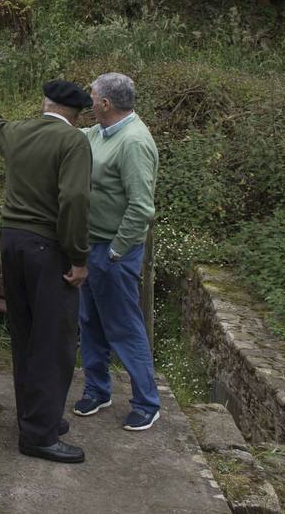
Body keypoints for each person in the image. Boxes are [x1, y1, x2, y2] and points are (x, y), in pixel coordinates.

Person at [0, 80, 93, 464]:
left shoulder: (18, 131)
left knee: (26, 334)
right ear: (77, 114)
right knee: (54, 341)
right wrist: (78, 257)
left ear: (45, 103)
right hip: (47, 249)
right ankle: (38, 436)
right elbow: (75, 199)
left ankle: (36, 418)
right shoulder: (73, 142)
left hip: (11, 244)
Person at [73, 72, 162, 431]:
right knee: (90, 322)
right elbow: (74, 135)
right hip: (92, 246)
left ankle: (147, 402)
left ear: (106, 104)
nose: (88, 101)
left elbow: (142, 207)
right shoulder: (101, 132)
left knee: (124, 327)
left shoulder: (134, 142)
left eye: (91, 97)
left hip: (114, 251)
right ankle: (98, 389)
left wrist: (114, 253)